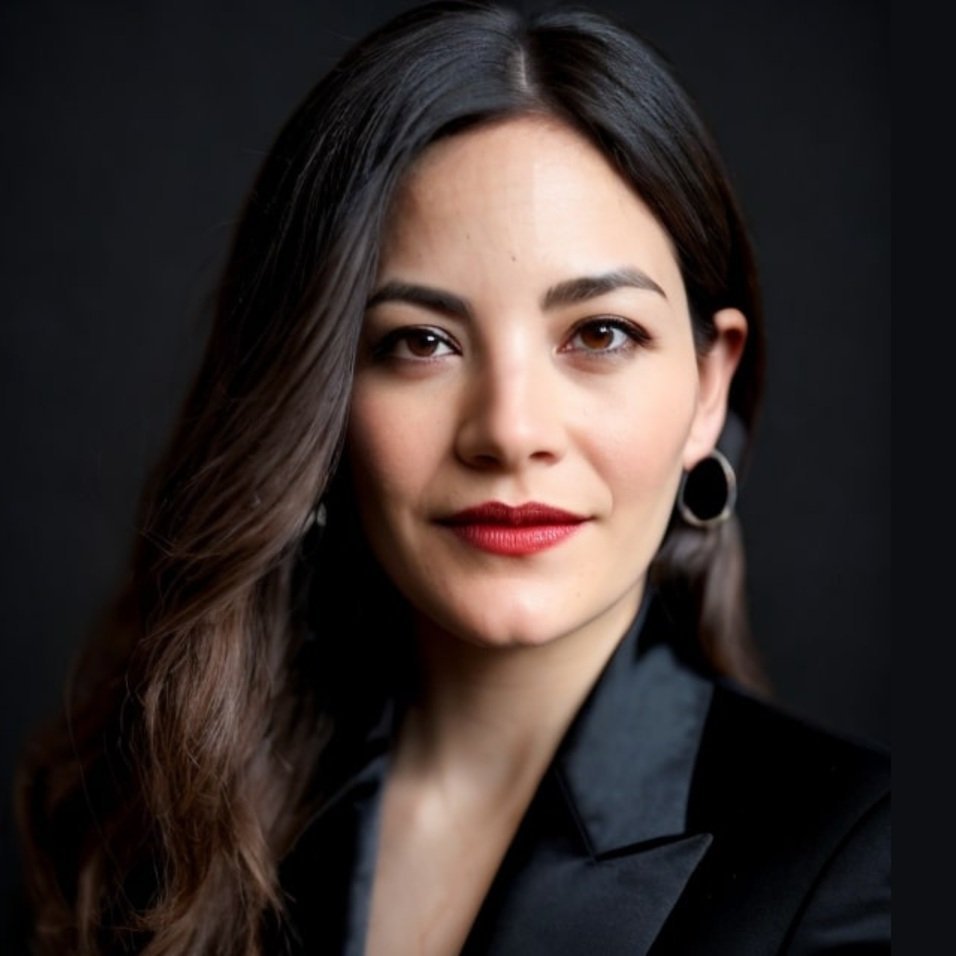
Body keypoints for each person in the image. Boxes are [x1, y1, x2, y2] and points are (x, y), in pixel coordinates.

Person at [15, 2, 890, 953]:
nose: (510, 433)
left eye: (600, 334)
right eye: (420, 343)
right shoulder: (139, 820)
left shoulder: (862, 862)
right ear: (315, 398)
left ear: (707, 387)